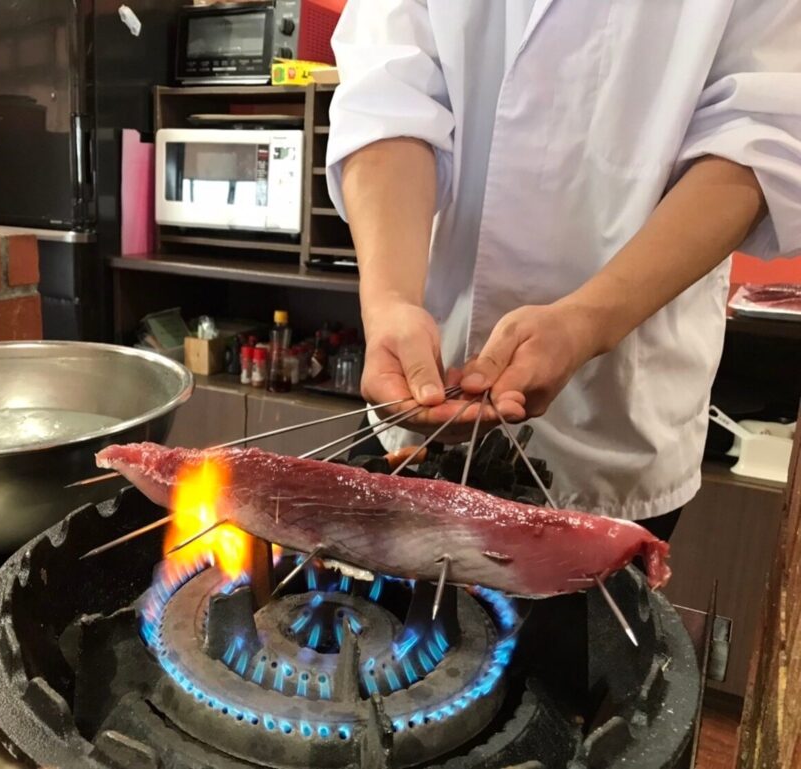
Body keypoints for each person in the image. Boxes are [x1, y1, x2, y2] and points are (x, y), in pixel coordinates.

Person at [327, 1, 801, 539]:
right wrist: (389, 302)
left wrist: (589, 320)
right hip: (425, 371)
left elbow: (760, 133)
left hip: (615, 407)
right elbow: (387, 97)